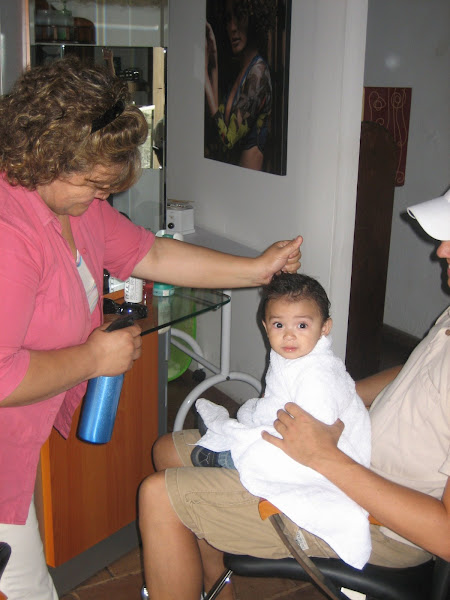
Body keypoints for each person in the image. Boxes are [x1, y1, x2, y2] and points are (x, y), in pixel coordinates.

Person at [0, 57, 302, 600]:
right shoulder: (9, 233)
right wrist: (93, 360)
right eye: (93, 183)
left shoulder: (74, 205)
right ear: (44, 155)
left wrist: (256, 270)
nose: (102, 197)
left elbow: (151, 253)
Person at [138, 190, 449, 600]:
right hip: (347, 455)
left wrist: (324, 455)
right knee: (167, 451)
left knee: (157, 497)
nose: (441, 248)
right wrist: (340, 396)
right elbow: (413, 372)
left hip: (378, 518)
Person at [192, 272, 372, 568]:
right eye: (279, 325)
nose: (289, 335)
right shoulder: (290, 356)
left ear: (324, 328)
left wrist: (263, 426)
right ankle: (230, 438)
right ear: (266, 327)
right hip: (300, 430)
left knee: (263, 448)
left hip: (331, 451)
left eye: (302, 325)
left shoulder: (319, 373)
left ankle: (228, 454)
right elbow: (277, 401)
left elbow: (317, 428)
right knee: (254, 414)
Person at [204, 0, 276, 170]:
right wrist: (213, 64)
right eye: (228, 19)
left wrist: (205, 77)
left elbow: (227, 140)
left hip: (247, 185)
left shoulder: (258, 74)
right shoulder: (243, 71)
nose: (232, 27)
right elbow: (219, 122)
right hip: (234, 178)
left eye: (240, 16)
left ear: (254, 18)